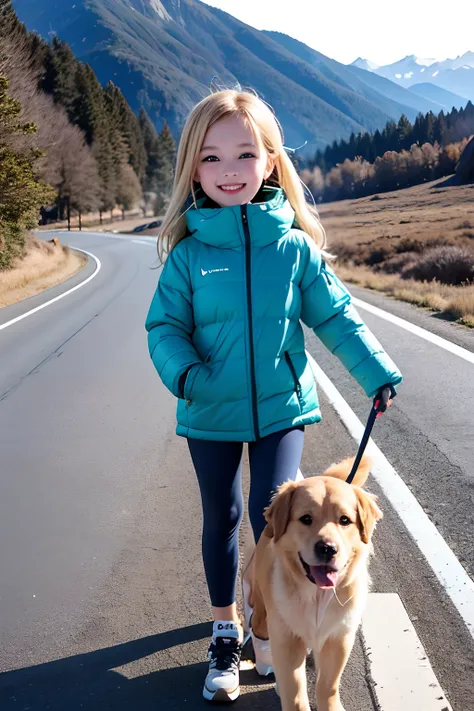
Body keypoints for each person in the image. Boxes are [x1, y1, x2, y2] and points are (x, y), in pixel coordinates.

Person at [145, 88, 402, 703]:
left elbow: (336, 317)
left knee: (275, 518)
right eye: (210, 158)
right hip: (208, 411)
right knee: (224, 518)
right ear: (192, 168)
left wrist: (377, 372)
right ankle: (225, 628)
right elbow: (164, 329)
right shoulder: (187, 256)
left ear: (270, 161)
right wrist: (186, 378)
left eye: (244, 154)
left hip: (282, 408)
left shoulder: (294, 249)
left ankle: (269, 620)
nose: (228, 171)